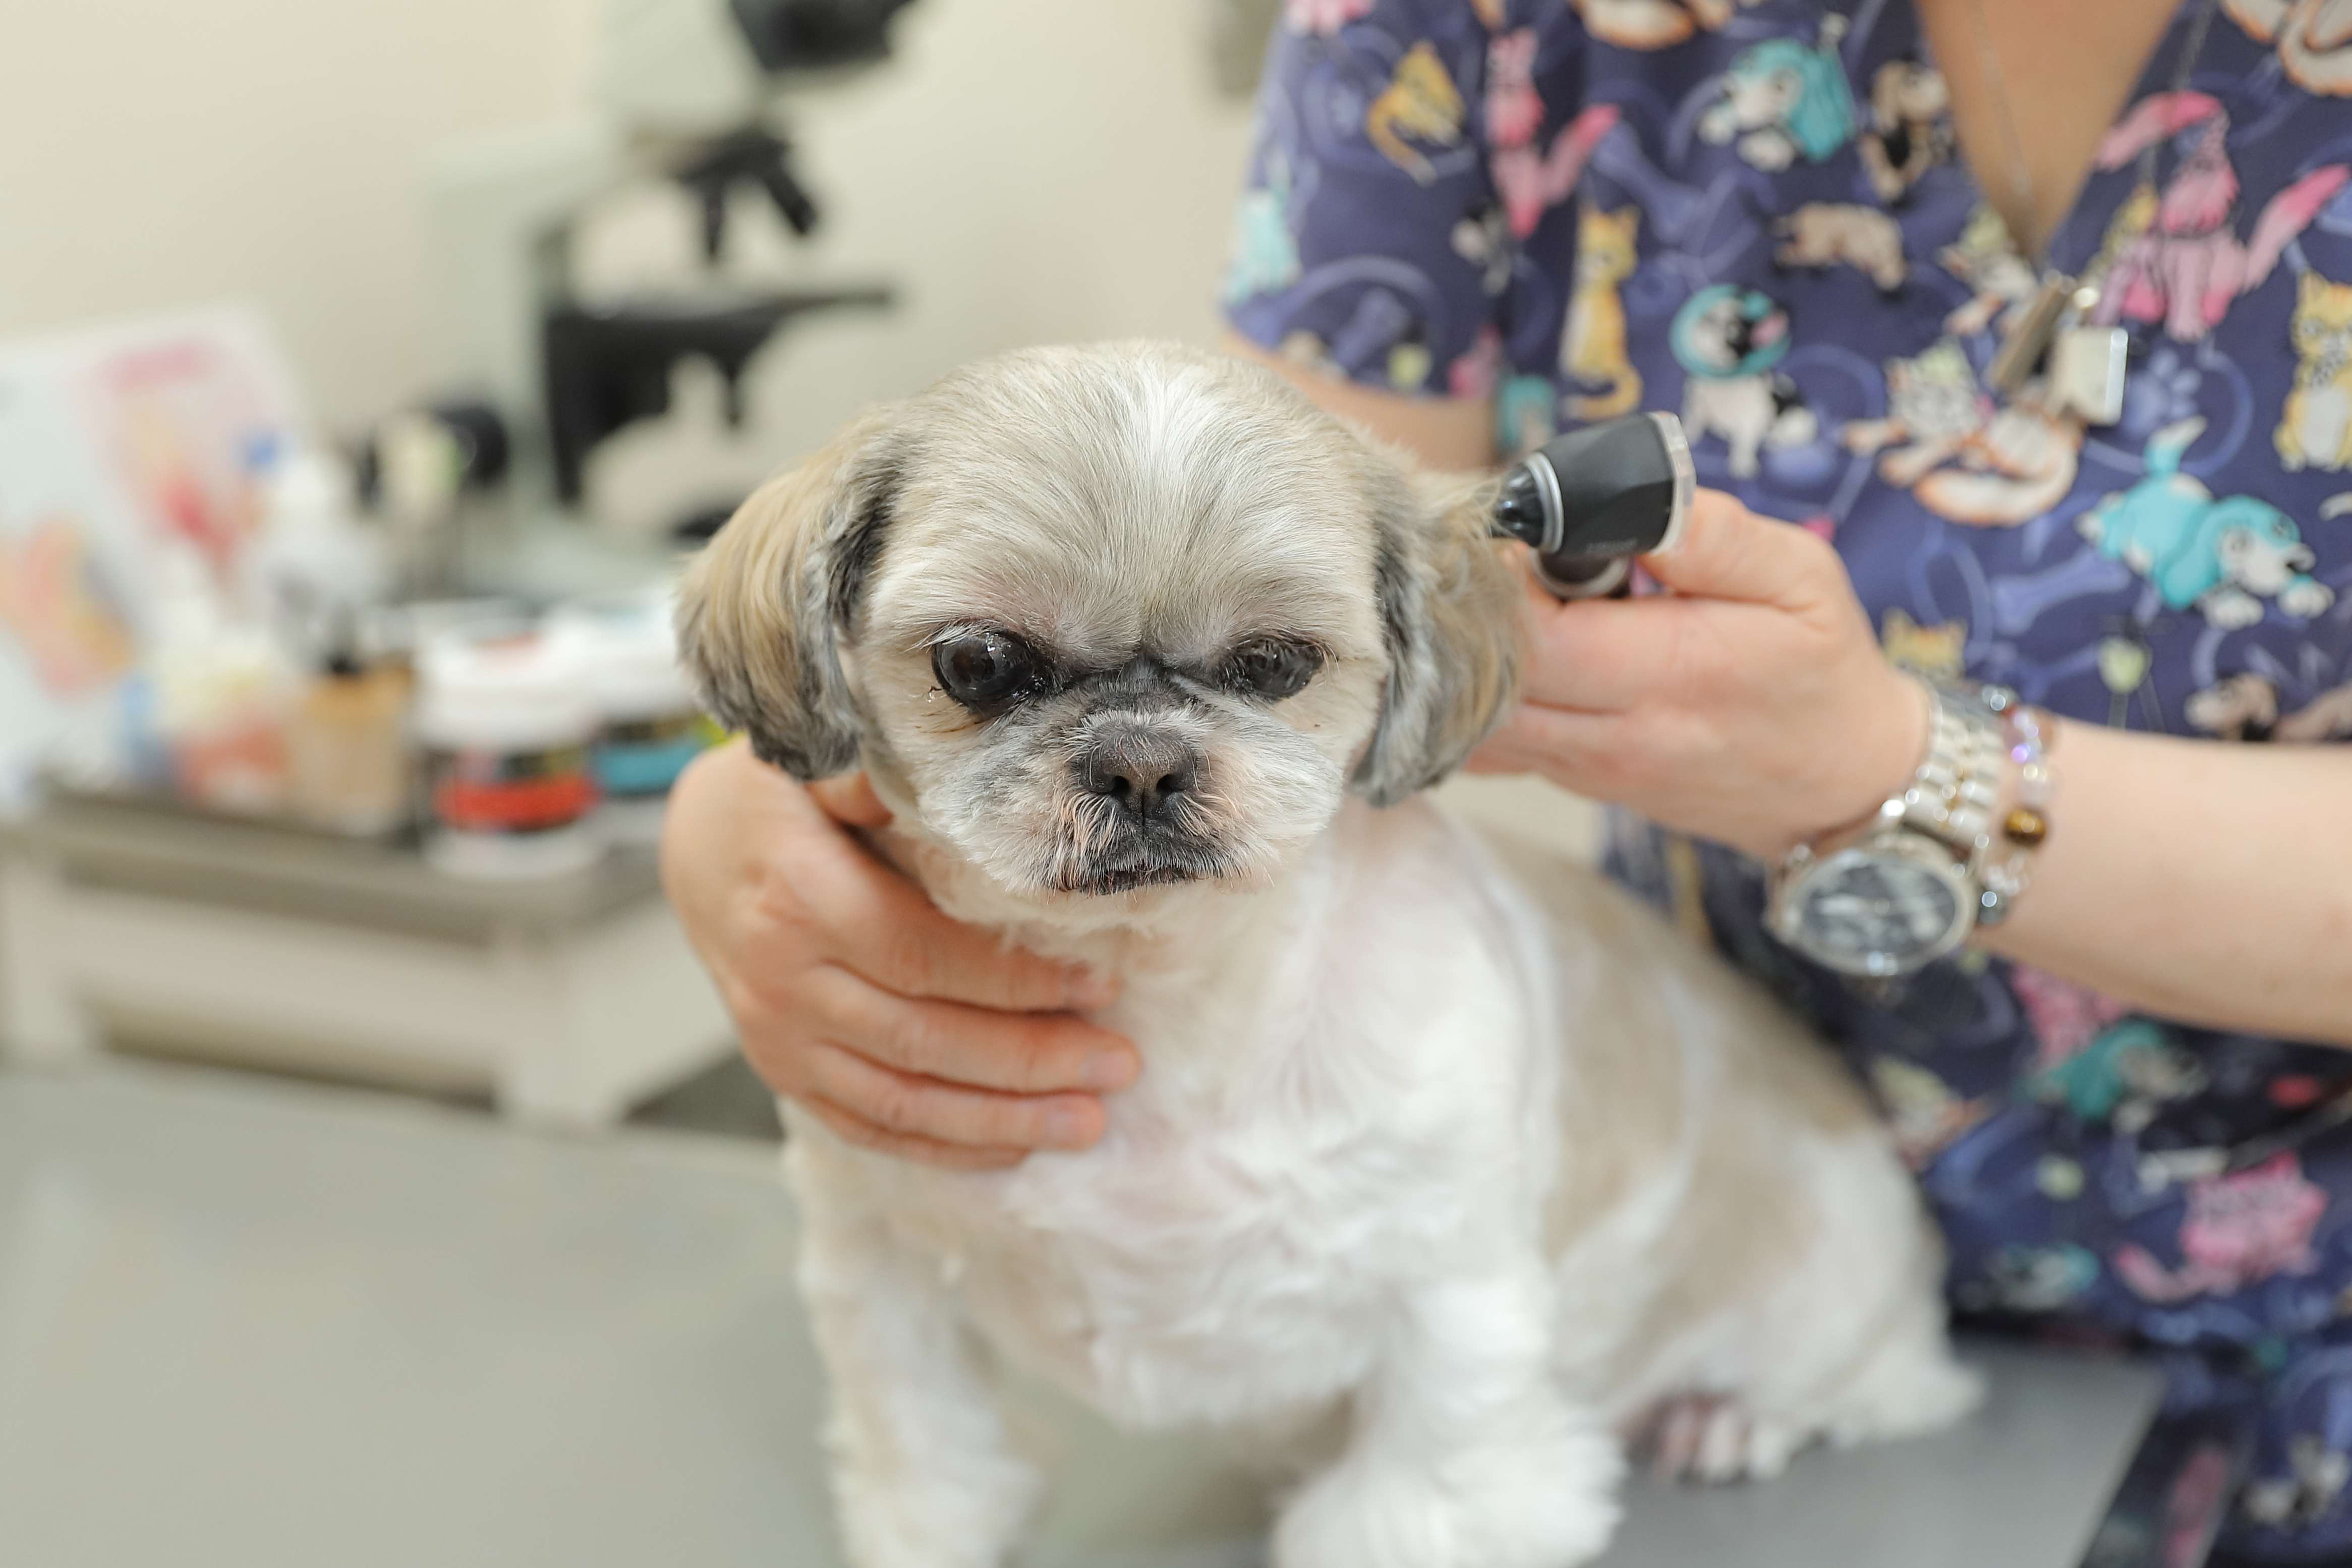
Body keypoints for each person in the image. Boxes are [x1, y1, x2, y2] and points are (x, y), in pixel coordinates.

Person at [663, 0, 2352, 1556]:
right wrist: (743, 814)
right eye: (986, 671)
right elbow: (1265, 473)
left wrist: (1889, 768)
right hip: (1647, 1149)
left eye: (1266, 671)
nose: (1138, 765)